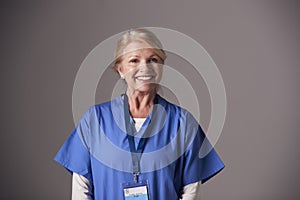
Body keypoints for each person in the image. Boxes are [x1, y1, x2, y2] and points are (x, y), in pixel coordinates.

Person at [54, 28, 224, 200]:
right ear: (120, 69)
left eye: (153, 59)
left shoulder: (183, 123)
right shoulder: (94, 120)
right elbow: (81, 190)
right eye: (134, 61)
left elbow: (190, 191)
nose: (145, 67)